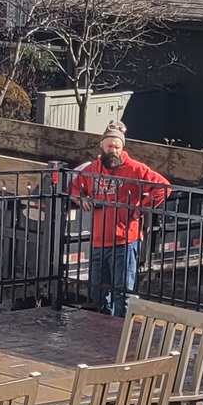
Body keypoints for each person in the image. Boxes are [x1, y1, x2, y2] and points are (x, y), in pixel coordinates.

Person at [69, 122, 169, 316]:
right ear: (102, 146)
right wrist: (80, 198)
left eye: (117, 146)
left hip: (125, 241)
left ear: (122, 148)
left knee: (122, 294)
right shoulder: (92, 169)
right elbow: (74, 186)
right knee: (97, 293)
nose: (113, 150)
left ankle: (120, 334)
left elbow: (163, 187)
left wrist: (142, 207)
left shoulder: (136, 169)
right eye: (109, 146)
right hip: (98, 241)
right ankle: (100, 332)